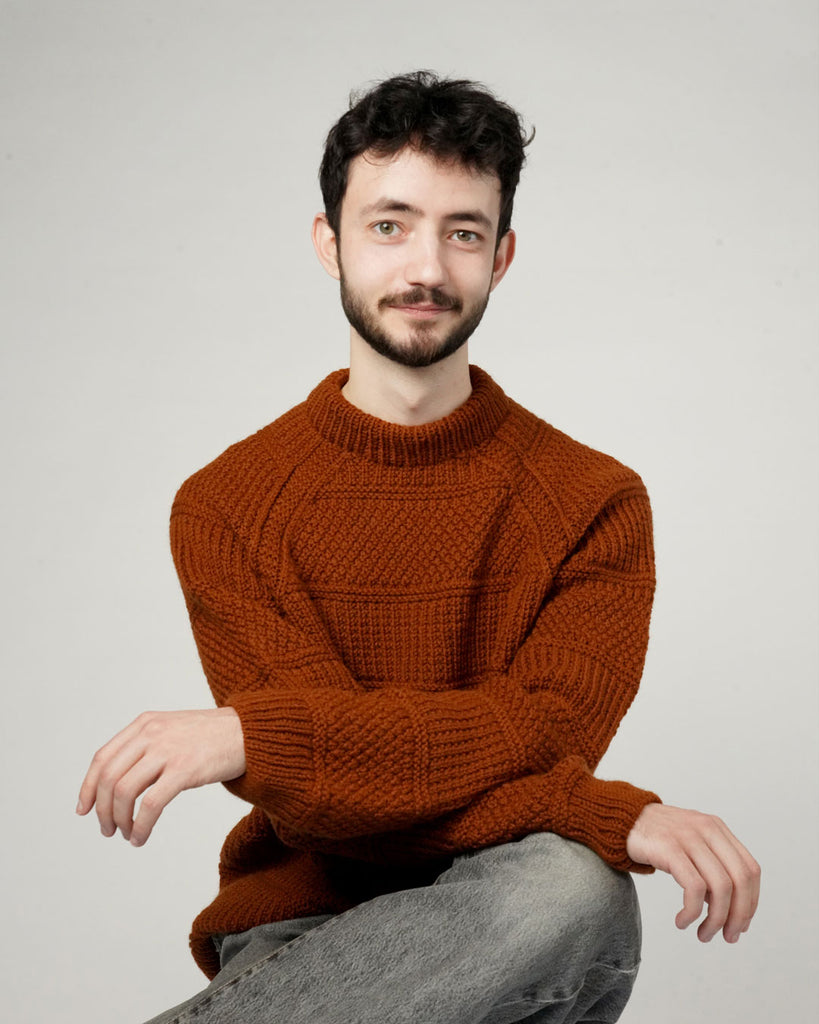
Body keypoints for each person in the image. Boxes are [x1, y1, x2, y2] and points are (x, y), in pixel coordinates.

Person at [77, 71, 760, 1024]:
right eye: (389, 225)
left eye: (462, 232)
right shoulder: (226, 505)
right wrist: (595, 811)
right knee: (577, 877)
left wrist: (256, 737)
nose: (426, 268)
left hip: (516, 920)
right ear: (330, 242)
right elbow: (329, 806)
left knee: (570, 890)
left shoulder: (593, 501)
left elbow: (541, 740)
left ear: (502, 255)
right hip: (301, 943)